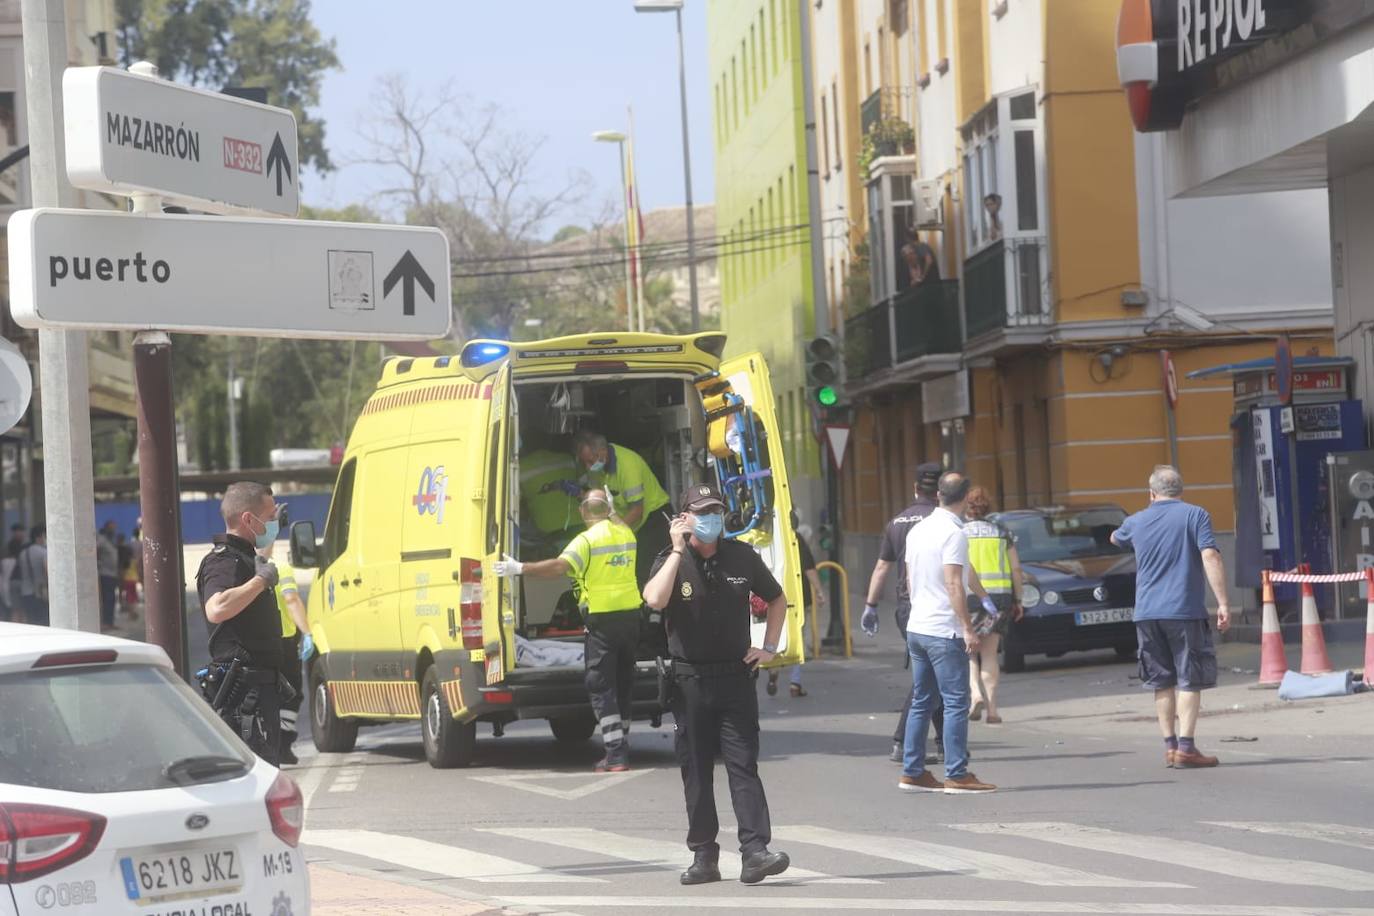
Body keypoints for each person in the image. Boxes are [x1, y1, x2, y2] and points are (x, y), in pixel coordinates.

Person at [643, 483, 792, 887]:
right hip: (689, 679)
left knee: (744, 767)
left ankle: (755, 853)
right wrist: (676, 549)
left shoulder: (741, 556)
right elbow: (654, 599)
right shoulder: (671, 560)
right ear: (684, 518)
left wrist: (770, 647)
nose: (711, 518)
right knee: (697, 772)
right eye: (702, 511)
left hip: (735, 677)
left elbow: (777, 599)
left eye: (716, 511)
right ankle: (704, 856)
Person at [493, 489, 641, 772]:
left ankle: (616, 754)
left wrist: (519, 568)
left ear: (583, 512)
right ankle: (622, 744)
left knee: (601, 685)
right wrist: (612, 509)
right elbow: (619, 521)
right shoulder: (626, 534)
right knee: (623, 683)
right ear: (608, 508)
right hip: (631, 619)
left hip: (602, 622)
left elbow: (559, 567)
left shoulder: (586, 540)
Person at [1110, 465, 1231, 769]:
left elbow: (1115, 538)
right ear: (1181, 490)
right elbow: (1210, 555)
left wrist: (1127, 531)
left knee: (1161, 680)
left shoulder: (1136, 521)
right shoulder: (1195, 515)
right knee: (1190, 678)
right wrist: (1223, 602)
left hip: (1147, 613)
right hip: (1184, 610)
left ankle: (1170, 746)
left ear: (1151, 493)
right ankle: (1187, 748)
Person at [899, 472, 998, 794]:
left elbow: (916, 577)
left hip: (919, 626)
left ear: (939, 494)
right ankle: (957, 773)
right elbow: (955, 582)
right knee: (956, 701)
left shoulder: (919, 529)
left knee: (922, 701)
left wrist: (983, 595)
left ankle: (913, 772)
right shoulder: (955, 533)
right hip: (943, 629)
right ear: (966, 498)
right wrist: (968, 628)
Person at [196, 482, 286, 765]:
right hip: (244, 700)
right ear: (249, 519)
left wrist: (264, 560)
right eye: (270, 518)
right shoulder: (223, 561)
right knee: (259, 783)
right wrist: (261, 581)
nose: (273, 522)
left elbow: (253, 567)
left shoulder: (243, 558)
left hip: (257, 694)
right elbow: (217, 608)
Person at [863, 462, 944, 763]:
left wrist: (871, 605)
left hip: (905, 606)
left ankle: (943, 744)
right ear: (940, 491)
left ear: (914, 488)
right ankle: (904, 742)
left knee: (932, 673)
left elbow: (882, 566)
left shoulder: (896, 522)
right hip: (934, 604)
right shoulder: (941, 520)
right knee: (931, 676)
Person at [571, 429, 672, 588]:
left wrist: (613, 535)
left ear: (603, 452)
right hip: (630, 524)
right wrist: (581, 495)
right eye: (585, 463)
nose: (589, 467)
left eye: (590, 461)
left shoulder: (627, 465)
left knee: (647, 573)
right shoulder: (598, 466)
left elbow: (637, 511)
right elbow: (599, 502)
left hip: (653, 519)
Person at [963, 486, 1024, 724]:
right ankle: (993, 710)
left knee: (969, 653)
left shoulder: (959, 532)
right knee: (990, 655)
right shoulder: (1001, 532)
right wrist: (1018, 600)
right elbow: (1016, 569)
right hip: (999, 600)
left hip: (969, 599)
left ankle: (975, 694)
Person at [265, 539, 311, 765]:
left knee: (265, 693)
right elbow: (291, 600)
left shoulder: (242, 568)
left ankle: (267, 744)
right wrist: (308, 632)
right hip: (283, 640)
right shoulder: (280, 568)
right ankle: (283, 744)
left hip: (257, 642)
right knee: (290, 693)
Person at [767, 524, 823, 698]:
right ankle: (795, 682)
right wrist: (819, 590)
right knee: (798, 637)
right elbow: (809, 568)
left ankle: (773, 669)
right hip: (798, 597)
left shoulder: (768, 537)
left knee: (775, 634)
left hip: (773, 596)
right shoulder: (796, 539)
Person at [16, 526, 47, 626]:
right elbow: (46, 571)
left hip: (25, 593)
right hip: (40, 594)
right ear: (39, 537)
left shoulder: (22, 553)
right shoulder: (43, 552)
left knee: (31, 622)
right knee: (43, 622)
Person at [96, 520, 119, 631]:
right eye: (111, 528)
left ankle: (110, 622)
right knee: (107, 599)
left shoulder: (111, 541)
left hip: (112, 574)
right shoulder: (102, 539)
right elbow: (95, 550)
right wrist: (98, 563)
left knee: (112, 599)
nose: (113, 530)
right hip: (105, 574)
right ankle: (106, 622)